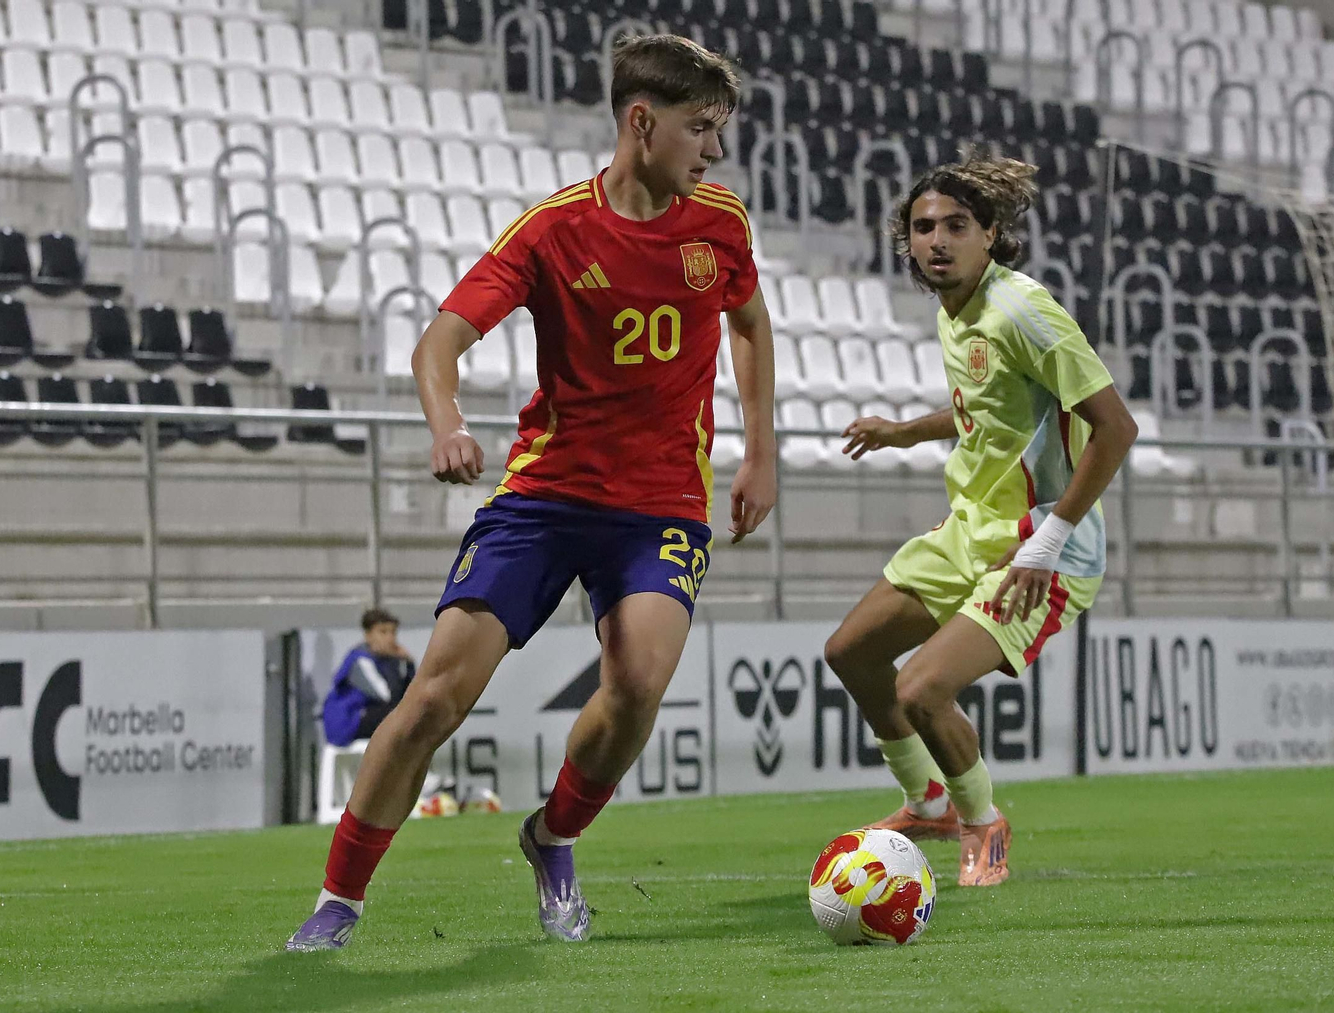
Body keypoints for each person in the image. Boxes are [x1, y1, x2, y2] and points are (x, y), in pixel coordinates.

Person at [287, 34, 777, 950]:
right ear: (642, 122)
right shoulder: (553, 231)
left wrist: (761, 452)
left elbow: (749, 324)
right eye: (700, 129)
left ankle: (552, 837)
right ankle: (338, 902)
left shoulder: (721, 223)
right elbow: (438, 344)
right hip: (545, 497)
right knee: (434, 697)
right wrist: (448, 425)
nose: (713, 151)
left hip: (663, 503)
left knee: (637, 683)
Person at [823, 152, 1137, 888]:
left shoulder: (1024, 311)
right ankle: (926, 800)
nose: (936, 239)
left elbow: (1115, 427)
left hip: (1042, 546)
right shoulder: (957, 308)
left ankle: (981, 821)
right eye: (922, 226)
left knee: (919, 689)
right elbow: (991, 408)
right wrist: (904, 431)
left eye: (956, 226)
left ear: (991, 234)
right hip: (972, 527)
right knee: (852, 653)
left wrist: (1048, 540)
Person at [321, 608, 416, 748]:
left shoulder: (388, 661)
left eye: (393, 632)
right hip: (347, 722)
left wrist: (409, 664)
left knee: (411, 712)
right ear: (368, 635)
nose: (390, 638)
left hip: (366, 715)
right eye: (383, 632)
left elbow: (408, 695)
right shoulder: (361, 660)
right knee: (402, 715)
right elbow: (387, 696)